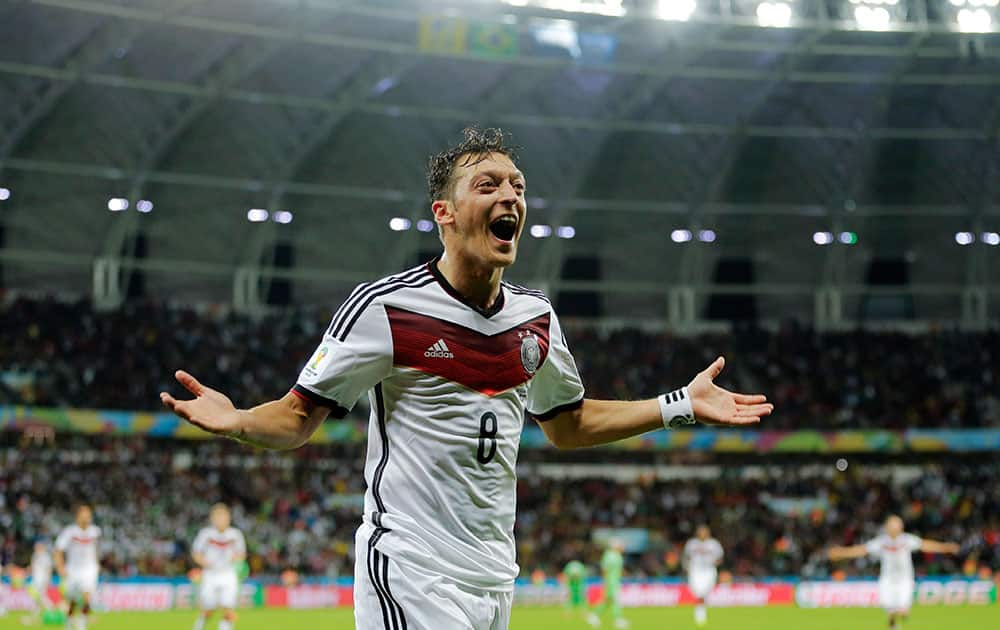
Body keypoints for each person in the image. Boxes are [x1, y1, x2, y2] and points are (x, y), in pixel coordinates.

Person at [160, 127, 773, 630]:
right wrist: (239, 420)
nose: (510, 196)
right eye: (489, 185)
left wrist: (678, 404)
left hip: (493, 579)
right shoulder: (386, 309)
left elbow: (570, 424)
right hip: (410, 565)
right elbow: (297, 418)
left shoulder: (536, 319)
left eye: (518, 186)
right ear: (445, 213)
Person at [828, 515, 960, 630]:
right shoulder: (881, 542)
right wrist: (841, 552)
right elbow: (861, 550)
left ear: (901, 527)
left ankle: (899, 615)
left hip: (905, 579)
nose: (895, 528)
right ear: (887, 527)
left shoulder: (907, 540)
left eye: (897, 525)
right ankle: (893, 622)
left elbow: (925, 545)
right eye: (892, 525)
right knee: (890, 609)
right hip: (887, 580)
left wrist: (945, 547)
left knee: (902, 611)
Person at [191, 503, 246, 630]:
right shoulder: (205, 534)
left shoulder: (235, 534)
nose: (221, 520)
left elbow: (241, 554)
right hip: (210, 574)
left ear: (229, 518)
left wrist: (235, 560)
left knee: (228, 607)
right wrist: (206, 563)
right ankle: (199, 625)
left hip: (228, 574)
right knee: (209, 608)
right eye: (218, 517)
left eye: (224, 517)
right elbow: (196, 553)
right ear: (212, 519)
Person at [54, 505, 101, 630]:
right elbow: (58, 550)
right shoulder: (69, 532)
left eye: (88, 516)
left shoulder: (95, 531)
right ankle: (69, 622)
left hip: (89, 568)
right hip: (73, 569)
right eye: (83, 516)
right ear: (77, 517)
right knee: (72, 600)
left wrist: (97, 564)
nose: (86, 518)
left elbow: (96, 548)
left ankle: (82, 622)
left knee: (87, 595)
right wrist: (60, 567)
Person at [683, 525, 724, 627]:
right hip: (695, 570)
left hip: (709, 570)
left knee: (706, 591)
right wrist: (687, 567)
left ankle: (701, 609)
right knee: (697, 592)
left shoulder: (713, 544)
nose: (702, 534)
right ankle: (700, 612)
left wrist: (715, 563)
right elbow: (686, 556)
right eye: (700, 532)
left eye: (704, 532)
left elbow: (720, 557)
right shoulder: (692, 543)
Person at [587, 540, 627, 629]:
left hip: (615, 581)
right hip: (610, 581)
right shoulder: (609, 555)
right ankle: (618, 620)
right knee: (614, 600)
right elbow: (605, 569)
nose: (623, 548)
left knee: (607, 601)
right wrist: (606, 581)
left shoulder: (618, 556)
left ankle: (593, 615)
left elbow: (618, 569)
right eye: (621, 546)